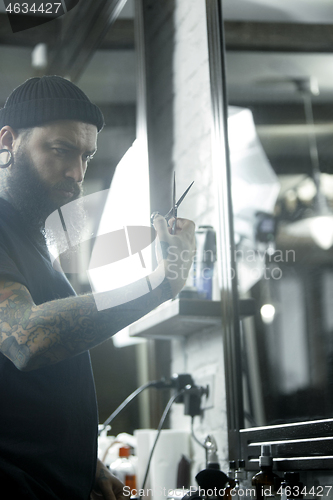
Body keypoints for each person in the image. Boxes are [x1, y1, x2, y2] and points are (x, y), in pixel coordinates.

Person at [0, 76, 195, 500]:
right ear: (8, 142)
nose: (77, 173)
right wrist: (157, 285)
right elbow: (24, 339)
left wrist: (87, 462)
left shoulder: (31, 245)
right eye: (60, 150)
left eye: (86, 156)